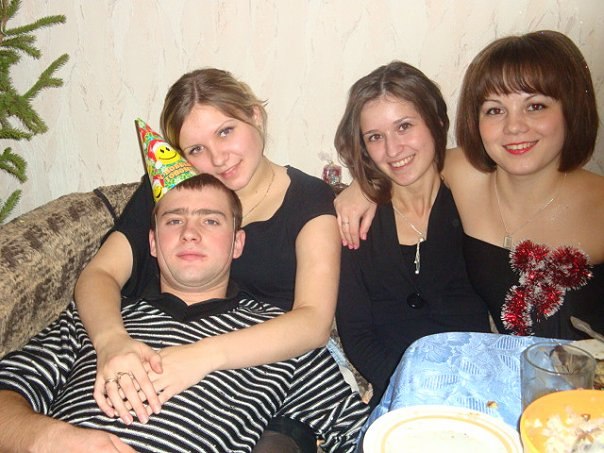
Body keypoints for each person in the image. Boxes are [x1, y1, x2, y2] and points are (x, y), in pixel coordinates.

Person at [0, 157, 369, 452]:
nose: (190, 233)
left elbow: (362, 434)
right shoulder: (97, 319)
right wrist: (49, 439)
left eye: (210, 221)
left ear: (238, 244)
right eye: (175, 220)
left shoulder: (279, 339)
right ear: (153, 243)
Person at [74, 68, 342, 450]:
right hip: (160, 344)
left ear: (255, 115)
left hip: (270, 374)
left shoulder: (309, 198)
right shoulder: (172, 193)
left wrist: (199, 358)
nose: (217, 158)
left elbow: (314, 322)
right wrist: (111, 341)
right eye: (196, 149)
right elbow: (99, 274)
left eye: (225, 131)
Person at [335, 30, 604, 340]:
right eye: (495, 110)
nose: (514, 127)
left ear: (571, 109)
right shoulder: (465, 174)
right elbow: (404, 161)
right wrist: (363, 188)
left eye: (535, 106)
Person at [333, 61, 490, 407]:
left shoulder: (474, 202)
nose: (393, 150)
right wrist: (410, 387)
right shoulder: (354, 221)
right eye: (375, 137)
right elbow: (357, 334)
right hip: (401, 393)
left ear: (436, 122)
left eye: (404, 126)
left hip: (480, 387)